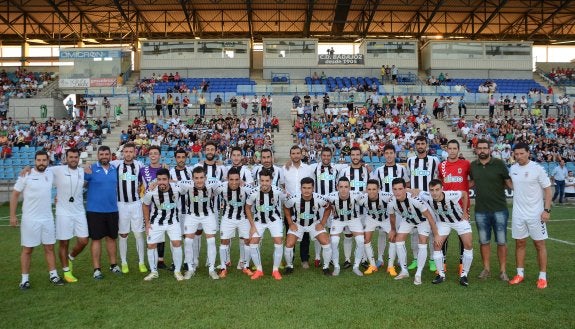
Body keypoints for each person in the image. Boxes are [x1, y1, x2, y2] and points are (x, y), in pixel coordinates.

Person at [10, 150, 64, 289]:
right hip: (30, 219)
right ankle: (24, 280)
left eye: (44, 160)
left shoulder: (50, 173)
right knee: (27, 250)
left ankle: (53, 275)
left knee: (50, 248)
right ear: (35, 161)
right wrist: (13, 215)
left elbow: (66, 173)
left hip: (47, 219)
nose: (41, 163)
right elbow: (15, 195)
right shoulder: (26, 175)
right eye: (39, 160)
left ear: (48, 161)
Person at [507, 143, 552, 289]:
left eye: (521, 153)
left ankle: (542, 277)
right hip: (518, 214)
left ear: (528, 153)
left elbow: (548, 190)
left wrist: (547, 210)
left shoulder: (537, 169)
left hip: (536, 214)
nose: (518, 156)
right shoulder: (513, 169)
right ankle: (520, 274)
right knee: (519, 243)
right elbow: (512, 185)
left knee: (539, 244)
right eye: (516, 154)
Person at [470, 139, 512, 281]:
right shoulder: (472, 166)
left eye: (484, 148)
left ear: (489, 150)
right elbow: (470, 182)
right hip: (481, 210)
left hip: (499, 209)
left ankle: (503, 271)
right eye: (479, 148)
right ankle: (486, 269)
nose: (482, 150)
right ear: (476, 150)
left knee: (501, 241)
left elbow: (508, 183)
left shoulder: (499, 164)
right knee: (484, 241)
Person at [419, 179, 473, 286]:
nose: (434, 193)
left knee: (468, 244)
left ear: (442, 189)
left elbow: (464, 194)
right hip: (443, 222)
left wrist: (465, 211)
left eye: (437, 190)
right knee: (437, 245)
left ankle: (464, 275)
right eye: (432, 190)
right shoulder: (426, 196)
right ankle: (441, 274)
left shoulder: (451, 195)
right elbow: (416, 191)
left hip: (459, 221)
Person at [388, 178, 440, 285]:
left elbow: (429, 217)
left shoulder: (414, 200)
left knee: (422, 241)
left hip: (423, 220)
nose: (397, 192)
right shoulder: (391, 202)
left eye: (400, 189)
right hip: (408, 220)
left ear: (405, 189)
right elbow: (392, 217)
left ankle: (418, 273)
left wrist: (436, 234)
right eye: (395, 189)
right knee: (398, 240)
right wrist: (393, 229)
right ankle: (404, 271)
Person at [50, 148, 89, 283]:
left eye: (75, 157)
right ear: (66, 158)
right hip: (63, 212)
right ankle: (66, 272)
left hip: (79, 211)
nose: (73, 159)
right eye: (71, 157)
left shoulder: (82, 171)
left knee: (84, 240)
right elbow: (40, 170)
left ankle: (70, 257)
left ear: (79, 158)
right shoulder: (58, 170)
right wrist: (27, 169)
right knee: (64, 242)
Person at [84, 146, 121, 279]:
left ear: (111, 155)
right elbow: (79, 184)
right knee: (96, 239)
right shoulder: (90, 169)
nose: (104, 156)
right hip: (95, 211)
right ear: (98, 155)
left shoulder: (114, 169)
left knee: (111, 238)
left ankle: (113, 265)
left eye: (106, 154)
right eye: (102, 154)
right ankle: (97, 269)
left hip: (112, 209)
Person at [142, 168, 186, 281]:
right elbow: (145, 205)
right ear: (156, 180)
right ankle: (154, 271)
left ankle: (177, 271)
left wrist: (175, 182)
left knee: (176, 243)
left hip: (173, 222)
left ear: (168, 179)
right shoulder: (151, 191)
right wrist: (147, 223)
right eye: (159, 179)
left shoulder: (177, 189)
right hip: (156, 222)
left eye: (164, 179)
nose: (161, 182)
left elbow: (189, 186)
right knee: (151, 245)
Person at [284, 177, 333, 275]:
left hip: (313, 224)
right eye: (304, 188)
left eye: (309, 188)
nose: (306, 190)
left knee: (326, 242)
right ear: (300, 188)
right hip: (298, 224)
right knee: (289, 243)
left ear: (313, 188)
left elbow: (328, 208)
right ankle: (289, 266)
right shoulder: (294, 198)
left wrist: (322, 223)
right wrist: (290, 223)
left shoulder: (319, 198)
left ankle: (326, 267)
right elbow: (286, 207)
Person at [111, 143, 147, 274]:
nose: (128, 154)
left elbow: (146, 180)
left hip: (136, 203)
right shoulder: (116, 165)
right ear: (123, 153)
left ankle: (141, 262)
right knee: (123, 234)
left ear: (134, 153)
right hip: (121, 204)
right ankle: (124, 262)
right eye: (126, 151)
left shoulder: (140, 165)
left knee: (138, 234)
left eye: (130, 151)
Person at [245, 169, 287, 280]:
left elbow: (286, 202)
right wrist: (252, 226)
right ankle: (259, 270)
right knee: (253, 242)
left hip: (274, 220)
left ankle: (275, 270)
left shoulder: (278, 191)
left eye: (267, 180)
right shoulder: (254, 192)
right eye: (262, 180)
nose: (264, 183)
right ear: (259, 180)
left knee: (278, 241)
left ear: (271, 180)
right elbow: (247, 208)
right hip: (259, 221)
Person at [406, 136, 440, 272]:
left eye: (422, 143)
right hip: (414, 202)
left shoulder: (434, 160)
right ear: (415, 146)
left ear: (426, 145)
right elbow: (407, 182)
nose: (420, 146)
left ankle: (432, 259)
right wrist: (409, 191)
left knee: (432, 231)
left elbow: (438, 180)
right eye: (418, 144)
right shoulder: (409, 161)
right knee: (414, 232)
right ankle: (415, 259)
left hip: (430, 201)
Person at [180, 166, 220, 280]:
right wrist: (154, 183)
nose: (199, 180)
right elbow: (171, 183)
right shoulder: (187, 185)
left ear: (205, 178)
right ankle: (190, 269)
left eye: (201, 177)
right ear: (192, 178)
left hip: (208, 215)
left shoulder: (212, 184)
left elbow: (225, 184)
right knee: (188, 241)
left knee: (211, 241)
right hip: (191, 215)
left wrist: (241, 182)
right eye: (196, 178)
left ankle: (212, 269)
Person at [437, 139, 470, 275]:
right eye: (449, 148)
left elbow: (472, 180)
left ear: (458, 150)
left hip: (462, 207)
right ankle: (443, 262)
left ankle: (462, 264)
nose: (452, 151)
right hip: (445, 208)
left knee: (463, 237)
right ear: (447, 150)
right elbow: (439, 182)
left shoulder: (466, 164)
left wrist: (465, 189)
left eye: (454, 148)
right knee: (443, 236)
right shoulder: (441, 166)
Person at [214, 168, 253, 278]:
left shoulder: (246, 188)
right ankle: (223, 267)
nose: (234, 182)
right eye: (231, 179)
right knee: (224, 241)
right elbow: (210, 192)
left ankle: (246, 266)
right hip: (228, 218)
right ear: (227, 179)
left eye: (237, 179)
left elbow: (257, 192)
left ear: (240, 179)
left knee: (247, 241)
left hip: (243, 218)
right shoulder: (222, 187)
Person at [324, 177, 365, 276]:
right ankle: (336, 267)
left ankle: (356, 267)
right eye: (341, 187)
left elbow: (368, 193)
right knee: (334, 241)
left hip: (353, 219)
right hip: (338, 220)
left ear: (350, 188)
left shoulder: (356, 195)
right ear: (337, 187)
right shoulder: (331, 196)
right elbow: (318, 198)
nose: (343, 189)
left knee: (360, 240)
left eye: (346, 187)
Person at [338, 147, 370, 269]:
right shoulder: (344, 171)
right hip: (348, 209)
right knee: (348, 235)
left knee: (362, 236)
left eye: (357, 154)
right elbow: (340, 188)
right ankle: (347, 259)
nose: (355, 157)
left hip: (364, 210)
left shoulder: (366, 171)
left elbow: (370, 187)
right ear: (350, 156)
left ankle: (363, 259)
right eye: (353, 155)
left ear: (361, 155)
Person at [283, 145, 313, 267]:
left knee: (305, 233)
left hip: (305, 203)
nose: (295, 155)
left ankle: (304, 258)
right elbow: (281, 185)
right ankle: (290, 257)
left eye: (297, 153)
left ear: (301, 154)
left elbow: (311, 184)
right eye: (293, 153)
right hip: (290, 205)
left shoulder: (308, 168)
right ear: (290, 155)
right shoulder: (284, 168)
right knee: (290, 230)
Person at [139, 145, 168, 269]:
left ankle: (160, 260)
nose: (153, 155)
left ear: (159, 156)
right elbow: (139, 185)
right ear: (148, 155)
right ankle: (153, 260)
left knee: (161, 234)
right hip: (148, 207)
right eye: (151, 153)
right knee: (150, 233)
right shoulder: (143, 170)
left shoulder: (165, 169)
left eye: (156, 153)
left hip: (162, 207)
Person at [358, 179, 394, 276]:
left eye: (374, 189)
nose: (371, 191)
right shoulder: (362, 198)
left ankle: (390, 266)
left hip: (386, 219)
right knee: (366, 240)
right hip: (371, 218)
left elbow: (398, 195)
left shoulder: (386, 196)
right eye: (369, 189)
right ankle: (372, 265)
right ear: (366, 190)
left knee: (393, 238)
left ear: (379, 189)